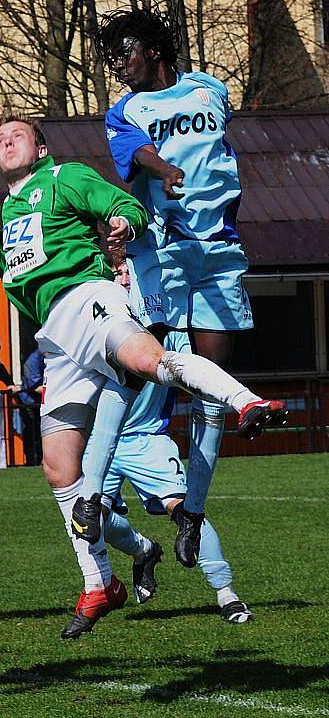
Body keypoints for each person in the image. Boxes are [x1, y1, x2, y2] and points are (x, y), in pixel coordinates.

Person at [0, 115, 285, 638]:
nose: (4, 140)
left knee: (147, 359)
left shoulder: (64, 177)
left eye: (16, 133)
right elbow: (3, 258)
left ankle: (244, 401)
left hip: (88, 301)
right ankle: (104, 581)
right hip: (57, 339)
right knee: (58, 470)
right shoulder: (12, 206)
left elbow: (124, 204)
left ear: (40, 148)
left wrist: (124, 222)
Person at [97, 7, 264, 568]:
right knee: (142, 362)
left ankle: (191, 511)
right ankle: (95, 493)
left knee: (214, 393)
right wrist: (163, 169)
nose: (118, 65)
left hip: (219, 252)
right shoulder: (125, 111)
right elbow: (135, 153)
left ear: (152, 47)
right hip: (162, 251)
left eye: (124, 52)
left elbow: (223, 152)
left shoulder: (212, 90)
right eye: (111, 58)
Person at [94, 257, 252, 623]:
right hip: (100, 442)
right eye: (116, 272)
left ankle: (226, 592)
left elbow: (201, 375)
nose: (123, 279)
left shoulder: (170, 333)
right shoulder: (97, 325)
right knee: (90, 522)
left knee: (185, 513)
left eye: (127, 271)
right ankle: (143, 551)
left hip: (144, 438)